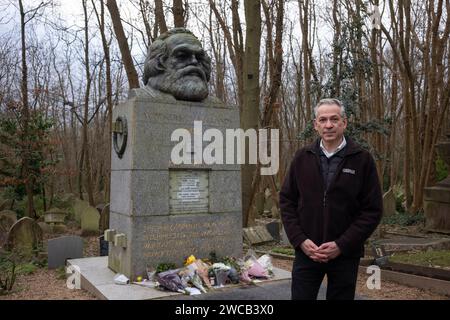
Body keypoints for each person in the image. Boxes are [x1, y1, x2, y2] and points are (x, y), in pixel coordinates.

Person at [279, 98, 383, 300]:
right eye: (323, 119)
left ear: (344, 122)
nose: (328, 125)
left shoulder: (362, 159)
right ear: (316, 125)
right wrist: (300, 240)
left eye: (334, 119)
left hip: (344, 254)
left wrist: (342, 245)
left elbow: (372, 210)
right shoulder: (302, 158)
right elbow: (286, 201)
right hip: (308, 252)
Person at [142, 28, 212, 102]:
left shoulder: (214, 104)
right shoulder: (143, 97)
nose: (194, 61)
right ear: (158, 63)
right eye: (182, 56)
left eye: (199, 57)